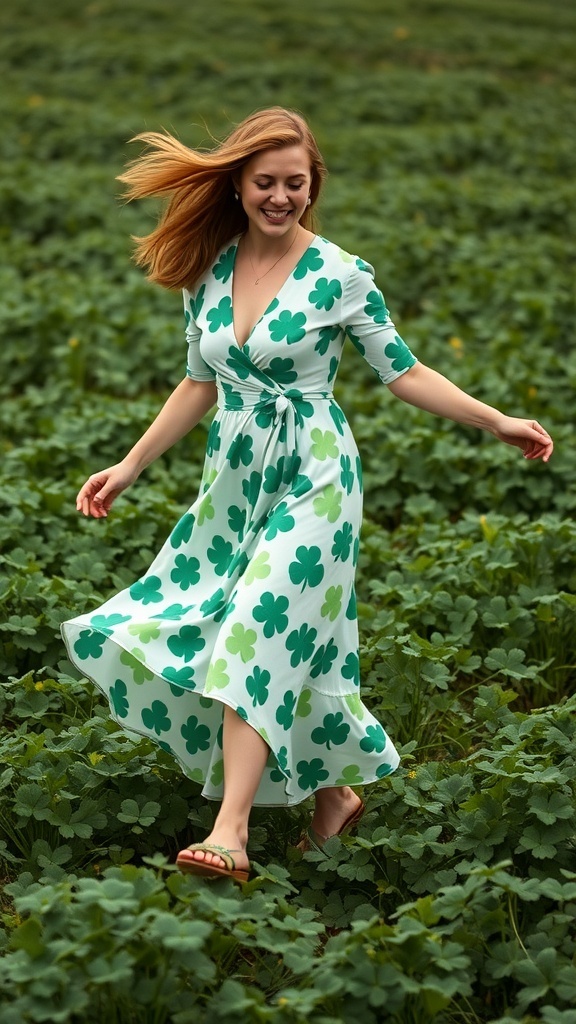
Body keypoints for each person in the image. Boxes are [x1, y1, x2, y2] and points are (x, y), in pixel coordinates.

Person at [61, 107, 553, 883]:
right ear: (239, 184)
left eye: (296, 182)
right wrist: (129, 465)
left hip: (317, 476)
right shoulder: (211, 270)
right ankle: (333, 800)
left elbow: (404, 370)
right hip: (234, 478)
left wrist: (493, 420)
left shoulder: (340, 272)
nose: (281, 196)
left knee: (257, 627)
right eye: (266, 182)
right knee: (276, 637)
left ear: (312, 185)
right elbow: (199, 383)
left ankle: (231, 831)